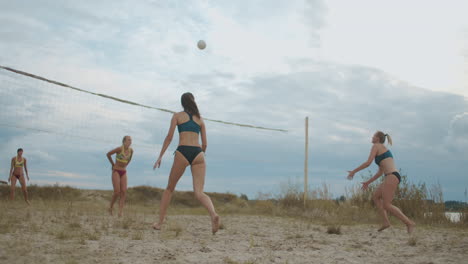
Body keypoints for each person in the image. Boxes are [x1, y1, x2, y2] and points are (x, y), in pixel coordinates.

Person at [153, 92, 219, 234]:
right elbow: (205, 144)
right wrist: (199, 155)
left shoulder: (177, 116)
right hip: (198, 153)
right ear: (193, 102)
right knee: (199, 192)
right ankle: (213, 214)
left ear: (182, 103)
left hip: (183, 151)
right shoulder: (200, 119)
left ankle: (159, 223)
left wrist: (160, 156)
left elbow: (169, 137)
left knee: (169, 189)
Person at [347, 131, 415, 233]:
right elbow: (380, 172)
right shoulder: (381, 150)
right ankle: (385, 222)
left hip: (392, 176)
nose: (372, 137)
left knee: (387, 205)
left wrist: (354, 171)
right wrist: (368, 182)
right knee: (375, 197)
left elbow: (368, 163)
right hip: (391, 176)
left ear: (378, 138)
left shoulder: (377, 146)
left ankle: (409, 223)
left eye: (374, 136)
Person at [106, 136, 133, 217]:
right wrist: (113, 164)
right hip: (116, 171)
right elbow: (108, 154)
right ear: (124, 141)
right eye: (128, 140)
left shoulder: (131, 150)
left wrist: (125, 165)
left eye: (131, 140)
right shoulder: (119, 149)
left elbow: (130, 159)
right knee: (117, 192)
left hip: (123, 171)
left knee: (124, 191)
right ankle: (110, 208)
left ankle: (120, 212)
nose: (130, 141)